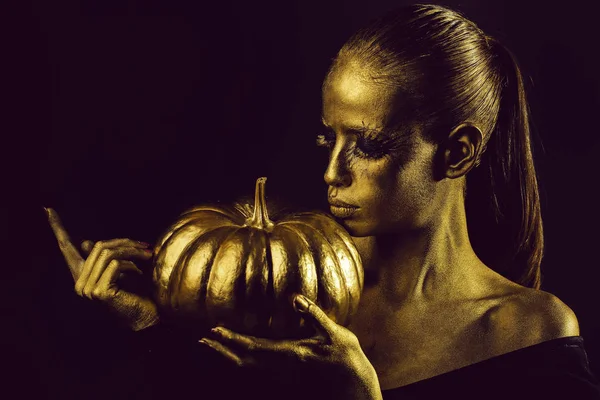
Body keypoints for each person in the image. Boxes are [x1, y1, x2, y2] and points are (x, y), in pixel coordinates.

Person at [46, 4, 600, 399]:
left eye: (368, 146)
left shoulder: (529, 334)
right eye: (326, 139)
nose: (332, 172)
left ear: (456, 153)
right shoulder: (287, 290)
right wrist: (148, 324)